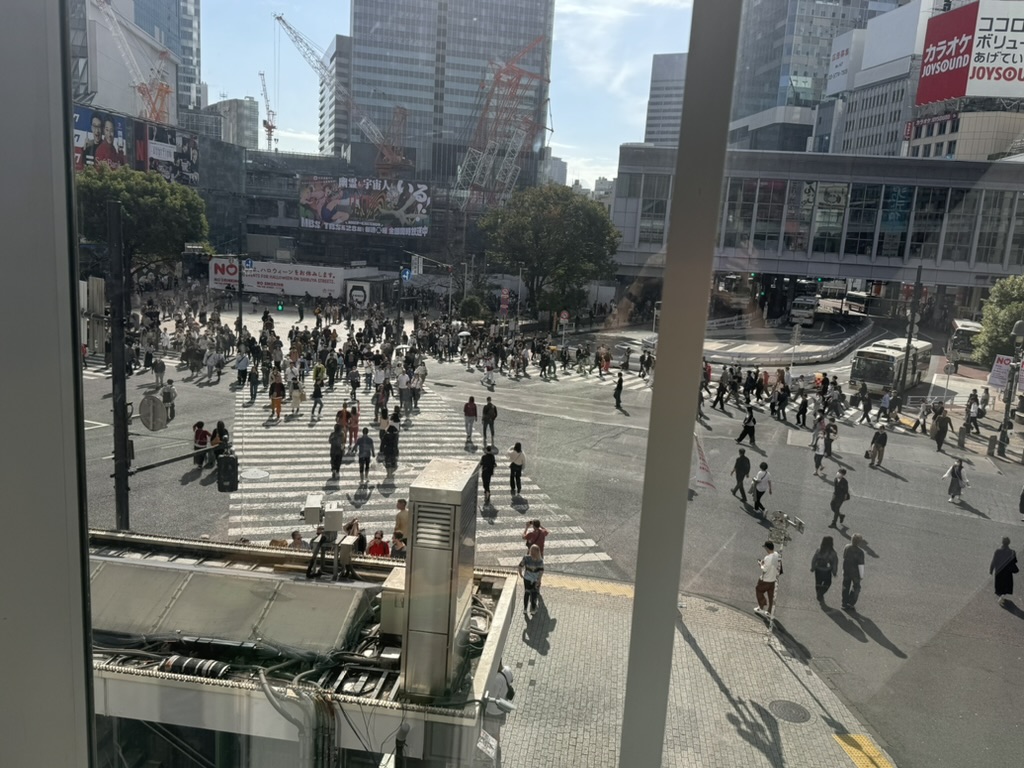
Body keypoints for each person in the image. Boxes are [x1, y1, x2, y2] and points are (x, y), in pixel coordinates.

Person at [754, 541, 781, 616]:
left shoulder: (767, 558)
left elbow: (764, 569)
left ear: (767, 548)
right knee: (771, 595)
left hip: (766, 580)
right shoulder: (776, 554)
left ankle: (761, 606)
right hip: (773, 579)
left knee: (758, 590)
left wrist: (760, 564)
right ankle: (770, 611)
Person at [989, 537, 1018, 607]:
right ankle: (1003, 597)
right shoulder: (1012, 552)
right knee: (1006, 585)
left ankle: (1001, 597)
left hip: (999, 571)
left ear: (1002, 542)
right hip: (1007, 572)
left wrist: (991, 569)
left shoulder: (997, 551)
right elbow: (1015, 561)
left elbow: (994, 561)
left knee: (999, 586)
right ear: (1009, 543)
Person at [518, 543, 544, 618]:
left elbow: (520, 566)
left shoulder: (526, 558)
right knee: (534, 594)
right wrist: (539, 580)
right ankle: (533, 609)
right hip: (535, 580)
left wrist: (521, 574)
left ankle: (525, 609)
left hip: (526, 579)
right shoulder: (540, 561)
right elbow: (541, 571)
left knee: (526, 592)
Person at [841, 533, 866, 610]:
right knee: (856, 587)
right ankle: (851, 602)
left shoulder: (847, 547)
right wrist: (861, 576)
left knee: (845, 586)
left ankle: (844, 603)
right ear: (859, 542)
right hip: (855, 573)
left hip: (846, 570)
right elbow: (861, 565)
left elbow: (844, 557)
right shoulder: (860, 552)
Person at [810, 536, 839, 601]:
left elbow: (814, 559)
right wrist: (834, 572)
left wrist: (813, 567)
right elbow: (835, 563)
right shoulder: (833, 553)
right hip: (827, 571)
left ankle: (818, 592)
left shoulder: (819, 550)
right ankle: (821, 592)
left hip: (818, 570)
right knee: (828, 583)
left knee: (818, 582)